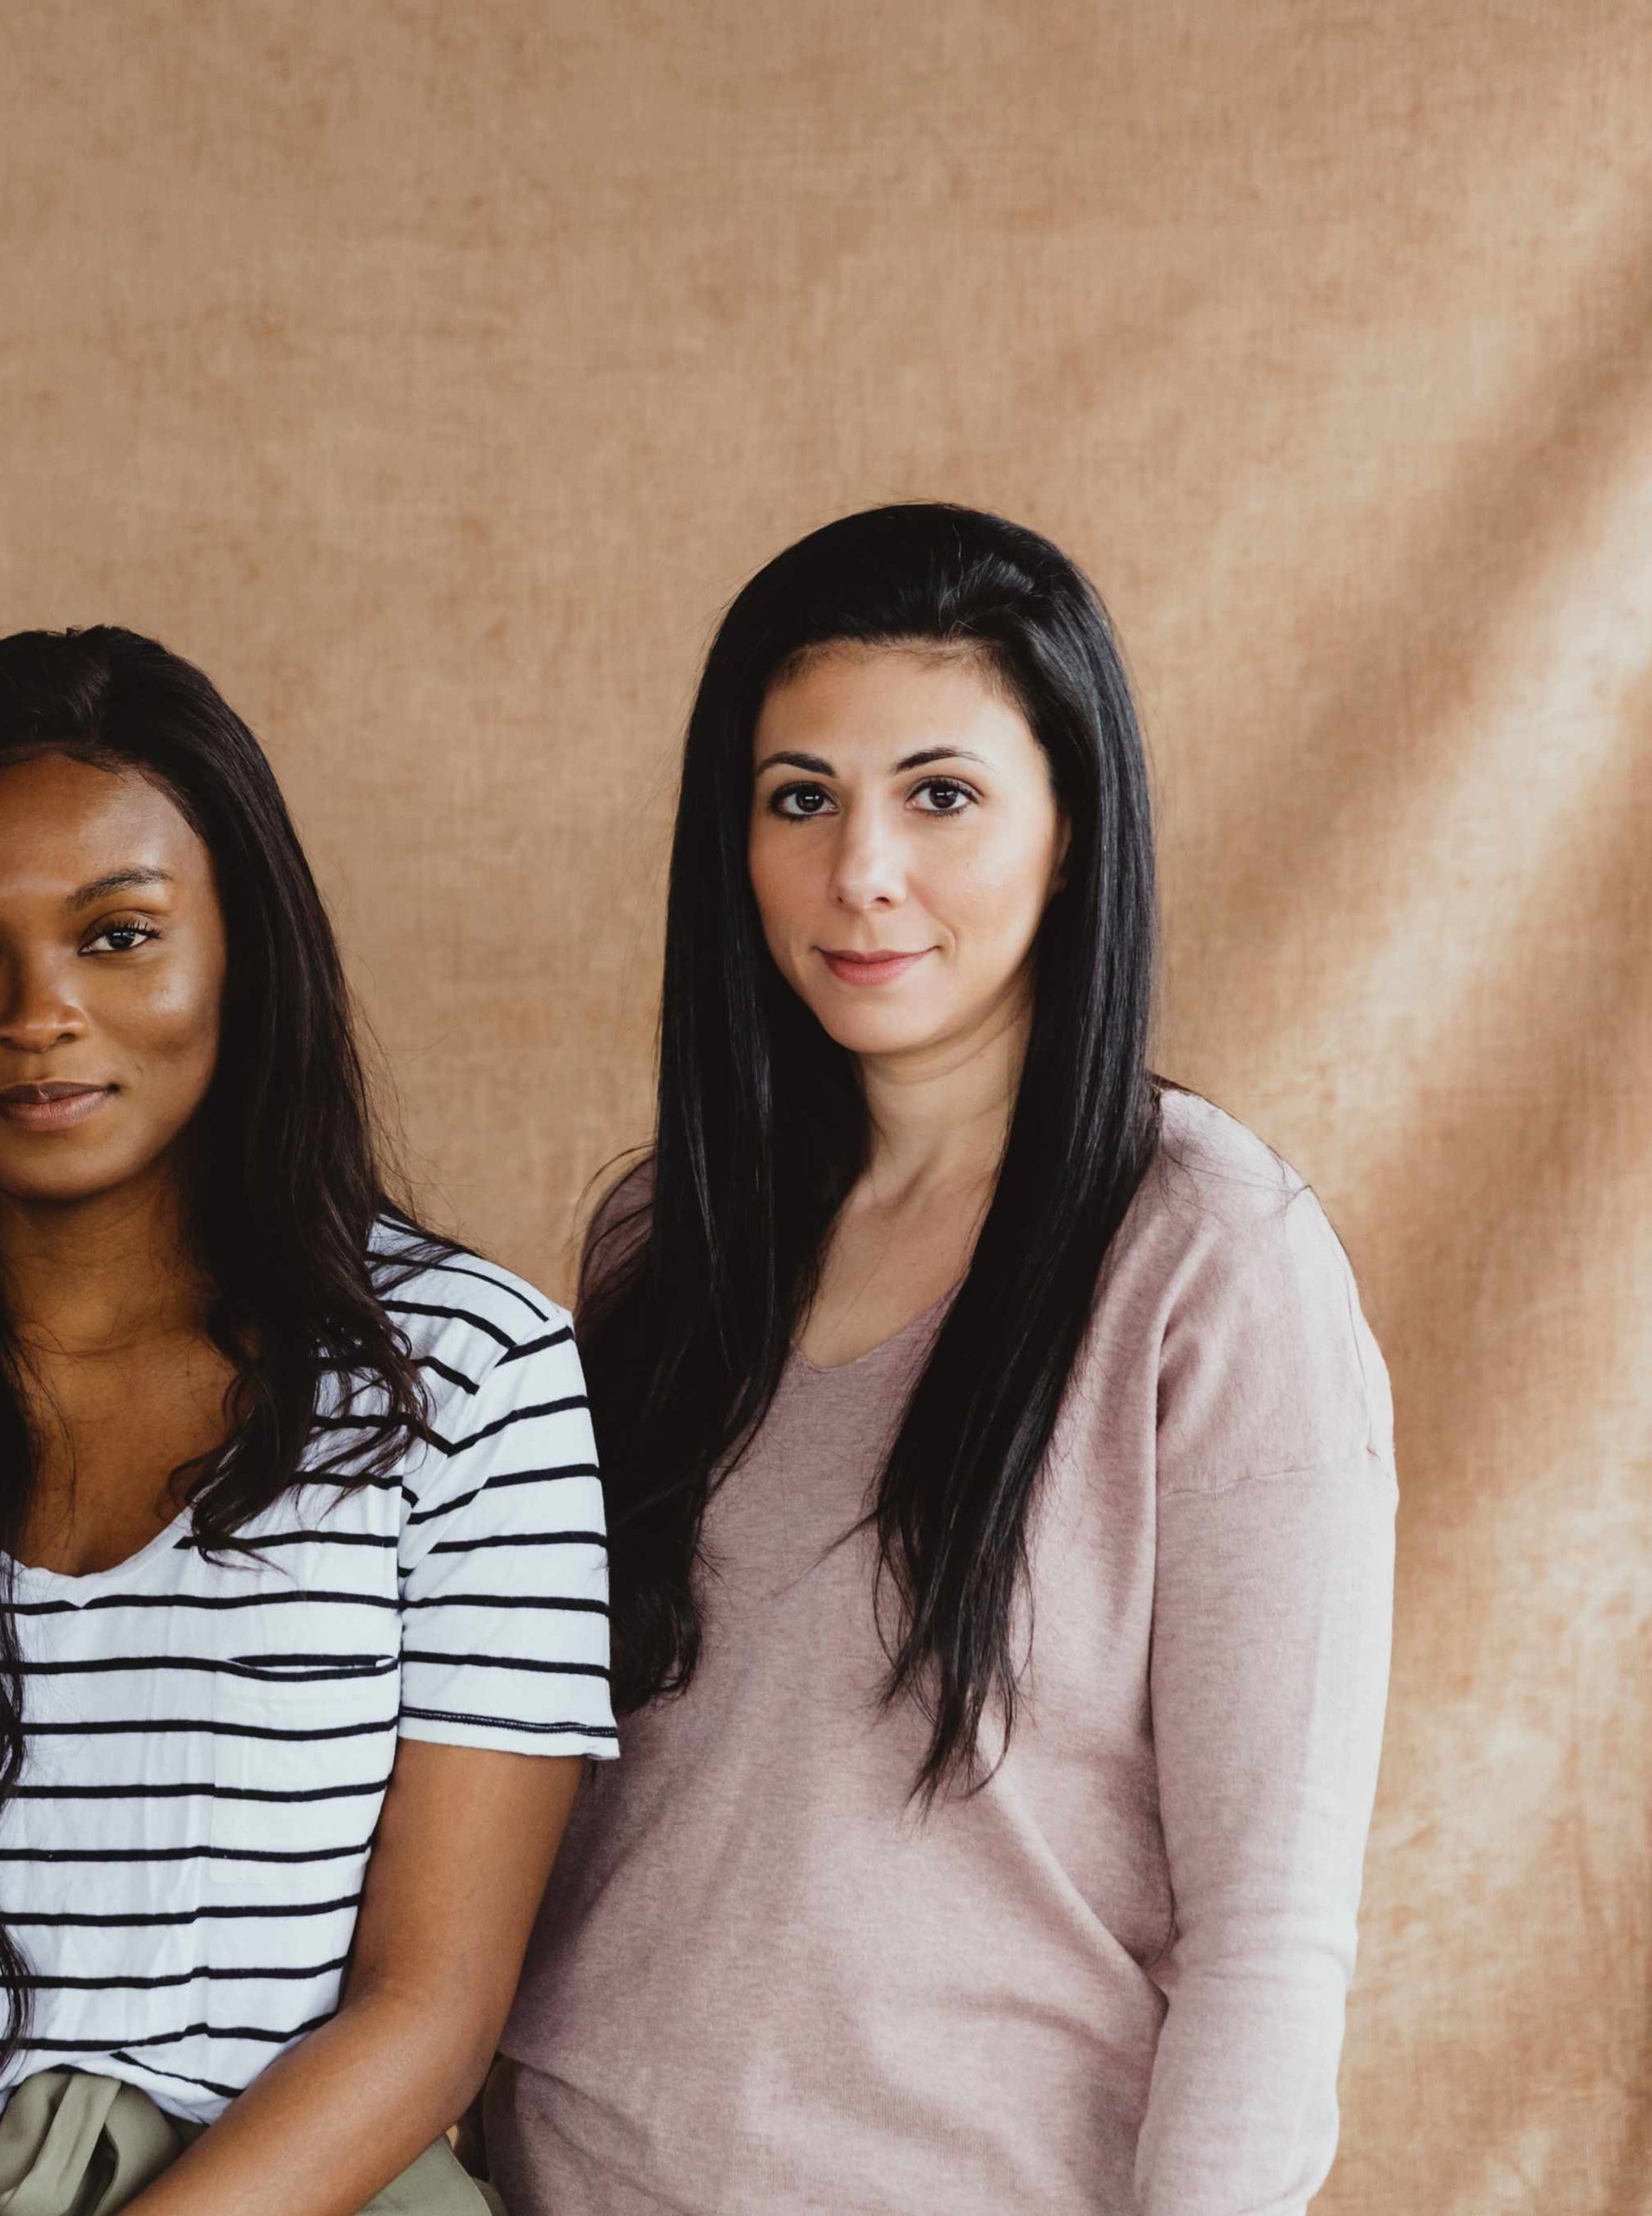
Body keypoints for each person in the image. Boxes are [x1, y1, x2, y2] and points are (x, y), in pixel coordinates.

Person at [0, 627, 610, 2216]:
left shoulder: (473, 1375)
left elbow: (431, 2009)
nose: (39, 1014)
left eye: (119, 934)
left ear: (244, 951)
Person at [490, 505, 1396, 2212]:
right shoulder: (661, 1255)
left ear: (1071, 827)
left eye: (942, 792)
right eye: (799, 796)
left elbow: (1269, 1934)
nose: (862, 872)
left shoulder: (1211, 1263)